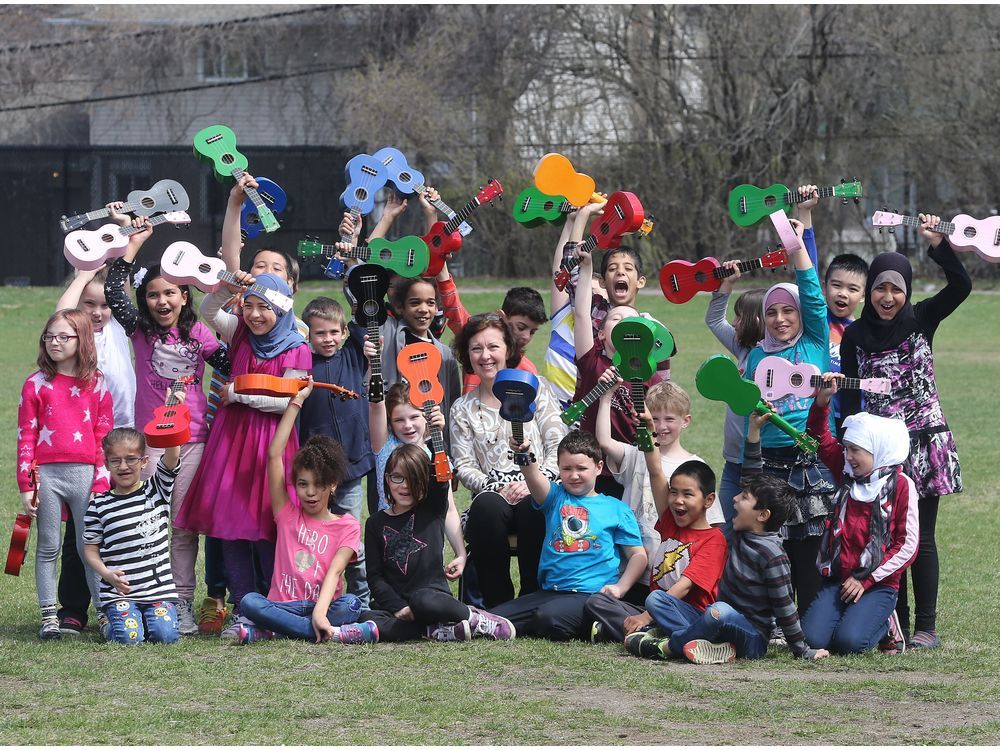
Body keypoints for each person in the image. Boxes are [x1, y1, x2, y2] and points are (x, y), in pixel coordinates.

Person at [839, 215, 971, 649]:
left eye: (896, 288)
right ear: (870, 289)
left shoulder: (922, 318)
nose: (888, 297)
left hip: (925, 443)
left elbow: (961, 286)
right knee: (886, 538)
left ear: (907, 291)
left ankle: (925, 629)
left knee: (923, 538)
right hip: (882, 452)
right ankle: (893, 627)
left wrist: (938, 244)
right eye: (880, 287)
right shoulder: (854, 335)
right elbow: (854, 398)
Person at [104, 217, 231, 636]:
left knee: (181, 527)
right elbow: (112, 292)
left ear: (184, 295)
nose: (162, 301)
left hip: (193, 443)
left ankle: (179, 604)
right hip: (150, 445)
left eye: (170, 293)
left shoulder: (197, 332)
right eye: (154, 294)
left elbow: (230, 362)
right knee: (145, 522)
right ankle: (137, 600)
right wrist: (135, 243)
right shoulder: (138, 331)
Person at [176, 269, 312, 640]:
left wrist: (240, 395)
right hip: (232, 441)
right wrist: (229, 286)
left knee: (269, 527)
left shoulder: (297, 346)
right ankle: (243, 606)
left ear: (281, 309)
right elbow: (208, 309)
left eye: (263, 308)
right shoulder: (240, 334)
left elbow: (289, 398)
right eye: (248, 306)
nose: (254, 315)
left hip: (272, 444)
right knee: (232, 527)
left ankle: (274, 607)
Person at [653, 412, 830, 664]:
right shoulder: (742, 530)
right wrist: (754, 431)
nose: (735, 499)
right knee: (658, 599)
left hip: (752, 638)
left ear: (762, 515)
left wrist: (802, 649)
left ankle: (671, 646)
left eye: (744, 498)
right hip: (718, 619)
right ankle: (705, 644)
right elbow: (750, 473)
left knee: (719, 611)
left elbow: (786, 607)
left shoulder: (773, 555)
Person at [742, 199, 833, 616]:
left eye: (788, 311)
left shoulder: (814, 341)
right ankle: (778, 622)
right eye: (773, 312)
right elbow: (749, 409)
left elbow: (813, 293)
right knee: (772, 551)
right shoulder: (757, 357)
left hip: (809, 461)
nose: (780, 319)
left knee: (808, 550)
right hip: (770, 463)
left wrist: (797, 248)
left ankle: (811, 619)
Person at [235, 381, 375, 645]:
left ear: (333, 485)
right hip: (283, 605)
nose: (311, 492)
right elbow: (274, 454)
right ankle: (329, 633)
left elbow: (335, 573)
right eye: (303, 484)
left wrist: (320, 613)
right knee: (249, 602)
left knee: (351, 605)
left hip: (322, 605)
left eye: (319, 485)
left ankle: (274, 630)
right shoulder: (287, 513)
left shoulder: (347, 525)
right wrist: (296, 402)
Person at [450, 314, 568, 608]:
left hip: (538, 486)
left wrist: (536, 482)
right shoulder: (463, 407)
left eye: (493, 347)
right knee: (487, 508)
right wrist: (496, 487)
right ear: (468, 354)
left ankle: (531, 598)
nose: (485, 356)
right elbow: (463, 465)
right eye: (476, 348)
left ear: (508, 350)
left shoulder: (537, 389)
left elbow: (558, 445)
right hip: (492, 493)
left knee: (534, 506)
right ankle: (497, 604)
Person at [489, 431, 647, 640]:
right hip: (550, 592)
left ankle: (602, 626)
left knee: (548, 619)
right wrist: (524, 453)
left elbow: (638, 555)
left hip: (591, 596)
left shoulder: (617, 509)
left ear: (598, 467)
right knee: (493, 619)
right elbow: (533, 476)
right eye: (567, 469)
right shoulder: (555, 497)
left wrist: (620, 588)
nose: (574, 475)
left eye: (581, 468)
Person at [801, 375, 918, 655]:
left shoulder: (901, 485)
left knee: (849, 644)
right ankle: (849, 617)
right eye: (847, 449)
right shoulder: (847, 470)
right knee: (812, 639)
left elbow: (907, 546)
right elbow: (818, 438)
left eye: (856, 450)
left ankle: (887, 625)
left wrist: (866, 580)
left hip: (877, 583)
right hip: (839, 579)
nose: (848, 456)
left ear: (877, 451)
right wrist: (822, 401)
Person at [52, 262, 137, 635]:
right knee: (82, 533)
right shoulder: (73, 338)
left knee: (123, 530)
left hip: (125, 445)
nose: (98, 313)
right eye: (90, 305)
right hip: (84, 449)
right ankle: (73, 608)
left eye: (104, 306)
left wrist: (125, 243)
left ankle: (120, 605)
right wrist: (84, 272)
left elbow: (121, 288)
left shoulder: (120, 328)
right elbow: (62, 311)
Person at [17, 309, 113, 640]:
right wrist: (27, 485)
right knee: (48, 547)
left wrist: (102, 480)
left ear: (82, 340)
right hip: (47, 477)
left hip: (87, 477)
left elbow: (104, 435)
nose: (55, 342)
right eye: (49, 336)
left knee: (89, 548)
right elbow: (26, 436)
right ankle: (49, 617)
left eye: (63, 337)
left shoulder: (97, 383)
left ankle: (103, 613)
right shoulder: (35, 384)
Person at [359, 444, 516, 642]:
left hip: (431, 600)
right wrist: (397, 606)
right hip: (399, 607)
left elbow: (441, 479)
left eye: (413, 478)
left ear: (424, 480)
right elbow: (375, 577)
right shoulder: (375, 523)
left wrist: (436, 437)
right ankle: (437, 632)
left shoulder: (433, 509)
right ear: (387, 479)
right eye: (397, 477)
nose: (405, 485)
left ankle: (475, 617)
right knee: (368, 618)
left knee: (421, 600)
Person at [593, 370, 725, 598]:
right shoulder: (635, 454)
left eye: (669, 419)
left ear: (686, 421)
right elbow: (604, 442)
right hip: (632, 566)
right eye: (654, 418)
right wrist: (606, 397)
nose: (661, 426)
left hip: (672, 571)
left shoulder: (695, 466)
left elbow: (711, 526)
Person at [588, 460, 726, 647]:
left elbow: (685, 587)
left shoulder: (714, 539)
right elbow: (655, 472)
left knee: (656, 599)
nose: (678, 500)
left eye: (688, 494)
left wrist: (645, 617)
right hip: (654, 611)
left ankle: (681, 638)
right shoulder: (671, 522)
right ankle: (651, 636)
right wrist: (648, 434)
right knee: (597, 601)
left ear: (708, 500)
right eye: (673, 492)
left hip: (689, 616)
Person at [298, 297, 375, 608]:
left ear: (343, 332)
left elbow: (362, 315)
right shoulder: (302, 365)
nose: (327, 339)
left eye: (333, 332)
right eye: (320, 333)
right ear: (308, 335)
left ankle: (362, 601)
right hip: (316, 472)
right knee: (315, 537)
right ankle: (317, 596)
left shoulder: (354, 356)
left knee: (350, 537)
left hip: (351, 467)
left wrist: (350, 266)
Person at [82, 426, 182, 645]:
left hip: (158, 592)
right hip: (120, 594)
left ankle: (147, 619)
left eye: (131, 459)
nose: (124, 466)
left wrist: (172, 413)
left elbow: (173, 454)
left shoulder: (156, 490)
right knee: (129, 639)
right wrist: (106, 574)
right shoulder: (98, 505)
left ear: (144, 461)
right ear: (106, 464)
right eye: (115, 460)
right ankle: (110, 625)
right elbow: (90, 551)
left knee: (166, 637)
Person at [704, 273, 766, 538]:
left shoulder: (774, 360)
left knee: (756, 531)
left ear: (757, 320)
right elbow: (714, 320)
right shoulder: (742, 348)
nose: (735, 322)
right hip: (732, 462)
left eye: (740, 317)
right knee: (725, 530)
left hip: (760, 463)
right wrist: (726, 286)